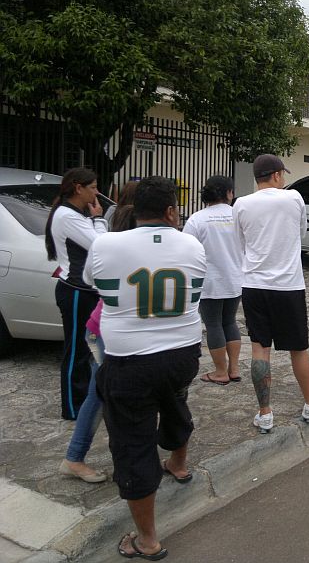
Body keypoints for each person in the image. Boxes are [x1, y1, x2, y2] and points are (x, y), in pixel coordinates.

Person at [86, 176, 206, 560]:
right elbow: (195, 293)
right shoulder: (191, 244)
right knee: (175, 405)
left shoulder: (106, 243)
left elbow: (98, 288)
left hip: (129, 361)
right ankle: (178, 463)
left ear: (135, 210)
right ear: (171, 211)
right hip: (181, 356)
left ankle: (148, 539)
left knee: (132, 443)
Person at [232, 154, 309, 432]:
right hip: (288, 285)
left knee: (260, 348)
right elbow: (300, 231)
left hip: (254, 284)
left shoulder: (241, 204)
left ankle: (265, 412)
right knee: (298, 348)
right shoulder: (293, 198)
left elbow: (240, 243)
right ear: (278, 175)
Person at [59, 206, 139, 483]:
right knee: (104, 394)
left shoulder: (114, 250)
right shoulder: (126, 253)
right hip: (104, 331)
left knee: (105, 393)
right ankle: (77, 457)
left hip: (107, 329)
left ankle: (80, 457)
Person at [45, 167, 108, 420]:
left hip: (86, 290)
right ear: (77, 187)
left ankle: (86, 400)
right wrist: (99, 219)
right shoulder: (67, 216)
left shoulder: (76, 213)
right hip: (75, 291)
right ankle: (72, 408)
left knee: (86, 349)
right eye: (92, 187)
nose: (97, 192)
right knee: (75, 350)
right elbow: (100, 245)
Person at [183, 175, 243, 385]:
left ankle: (220, 371)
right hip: (235, 279)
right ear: (229, 193)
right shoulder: (238, 216)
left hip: (209, 282)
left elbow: (186, 251)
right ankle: (234, 368)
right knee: (229, 321)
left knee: (214, 324)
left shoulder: (197, 219)